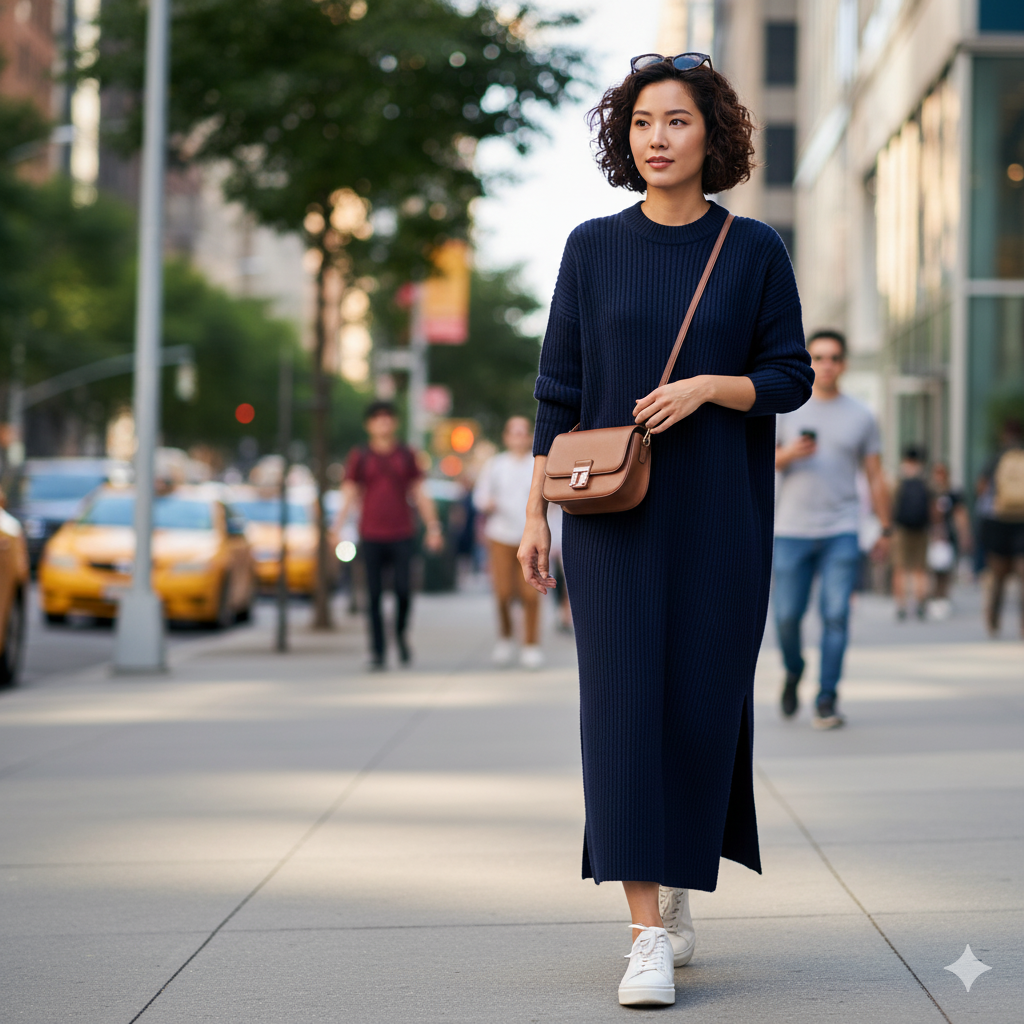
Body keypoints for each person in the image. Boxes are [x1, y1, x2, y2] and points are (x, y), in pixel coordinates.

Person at [517, 54, 813, 1007]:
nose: (657, 138)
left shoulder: (755, 249)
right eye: (642, 123)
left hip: (722, 517)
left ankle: (676, 878)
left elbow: (790, 376)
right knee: (621, 712)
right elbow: (557, 390)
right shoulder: (591, 248)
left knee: (699, 707)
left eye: (677, 122)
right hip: (611, 523)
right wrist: (535, 514)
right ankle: (645, 933)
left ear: (711, 136)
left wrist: (710, 388)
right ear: (623, 136)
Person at [773, 330, 891, 728]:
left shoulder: (861, 415)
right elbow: (759, 463)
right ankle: (794, 670)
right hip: (791, 530)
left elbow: (875, 476)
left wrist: (885, 528)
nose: (826, 364)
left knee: (836, 614)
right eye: (819, 357)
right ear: (809, 362)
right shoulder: (786, 410)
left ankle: (827, 697)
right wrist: (788, 454)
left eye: (834, 357)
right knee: (787, 617)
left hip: (842, 528)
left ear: (844, 364)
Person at [337, 401, 443, 669]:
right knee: (372, 596)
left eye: (387, 418)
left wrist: (433, 527)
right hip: (370, 533)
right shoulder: (360, 456)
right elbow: (349, 493)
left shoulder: (406, 455)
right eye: (377, 418)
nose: (382, 423)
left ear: (394, 423)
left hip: (402, 533)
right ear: (369, 424)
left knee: (404, 591)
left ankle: (400, 635)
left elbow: (420, 492)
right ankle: (377, 651)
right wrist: (335, 527)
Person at [473, 416, 544, 669]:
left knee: (532, 593)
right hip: (501, 536)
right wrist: (487, 503)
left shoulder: (538, 464)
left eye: (523, 432)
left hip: (530, 536)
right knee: (503, 592)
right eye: (513, 432)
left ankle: (531, 645)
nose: (518, 437)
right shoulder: (496, 465)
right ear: (506, 437)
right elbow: (479, 497)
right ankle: (505, 638)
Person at [976, 420, 1024, 637]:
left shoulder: (996, 457)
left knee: (997, 575)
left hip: (999, 521)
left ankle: (993, 620)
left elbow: (981, 487)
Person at [891, 446, 931, 620]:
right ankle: (920, 603)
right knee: (919, 568)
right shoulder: (926, 481)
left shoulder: (898, 481)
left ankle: (901, 606)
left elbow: (890, 504)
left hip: (901, 530)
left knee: (900, 568)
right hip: (922, 530)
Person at [927, 462, 971, 618]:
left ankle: (944, 598)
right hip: (931, 536)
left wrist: (965, 534)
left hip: (948, 536)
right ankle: (933, 598)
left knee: (946, 569)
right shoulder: (929, 492)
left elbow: (960, 514)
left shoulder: (953, 493)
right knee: (932, 570)